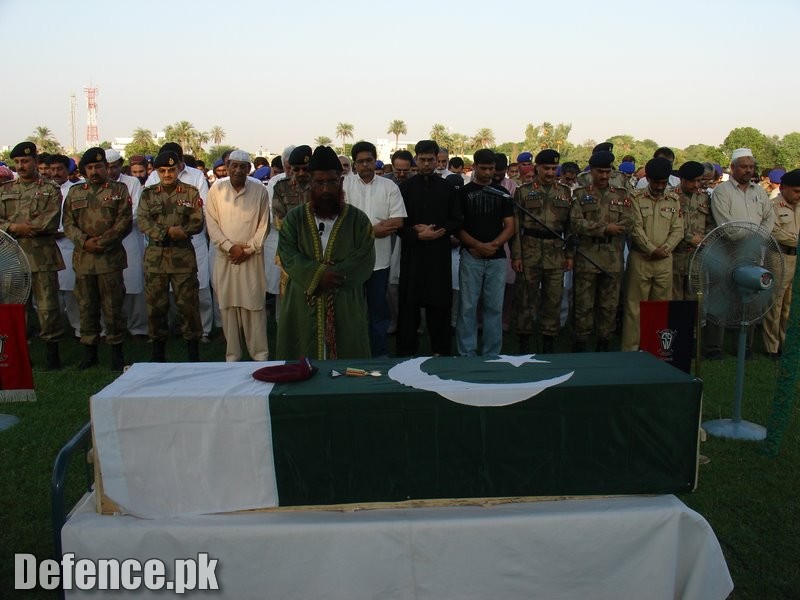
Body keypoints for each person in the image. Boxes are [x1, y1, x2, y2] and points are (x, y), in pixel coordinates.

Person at [276, 145, 375, 359]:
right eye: (319, 182)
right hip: (303, 300)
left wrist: (333, 276)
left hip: (345, 300)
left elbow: (364, 259)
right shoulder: (295, 219)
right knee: (301, 362)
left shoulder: (357, 220)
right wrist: (318, 275)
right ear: (310, 183)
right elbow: (287, 254)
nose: (325, 189)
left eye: (331, 181)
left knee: (347, 362)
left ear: (341, 181)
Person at [62, 148, 133, 370]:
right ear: (84, 170)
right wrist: (84, 242)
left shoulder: (119, 190)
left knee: (113, 308)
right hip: (84, 261)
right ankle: (90, 353)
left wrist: (101, 242)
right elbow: (68, 223)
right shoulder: (75, 192)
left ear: (106, 168)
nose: (94, 171)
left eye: (98, 167)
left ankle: (116, 353)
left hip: (109, 260)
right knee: (87, 307)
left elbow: (124, 222)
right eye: (90, 168)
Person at [705, 147, 776, 359]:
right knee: (720, 296)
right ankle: (713, 347)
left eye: (751, 167)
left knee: (749, 297)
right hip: (727, 250)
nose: (748, 170)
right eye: (744, 166)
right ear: (733, 168)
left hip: (752, 253)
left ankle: (743, 346)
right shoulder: (722, 191)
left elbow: (769, 218)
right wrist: (751, 235)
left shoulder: (759, 191)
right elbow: (726, 226)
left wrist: (756, 239)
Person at [0, 142, 65, 369]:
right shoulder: (5, 190)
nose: (21, 166)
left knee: (47, 307)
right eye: (17, 162)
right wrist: (15, 228)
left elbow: (51, 219)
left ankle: (52, 353)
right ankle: (20, 355)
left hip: (42, 257)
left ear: (36, 162)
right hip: (12, 259)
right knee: (16, 309)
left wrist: (26, 228)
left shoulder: (50, 188)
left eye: (25, 161)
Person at [396, 140, 463, 356]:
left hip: (438, 256)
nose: (426, 163)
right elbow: (398, 224)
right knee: (409, 307)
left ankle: (441, 351)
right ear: (416, 159)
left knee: (440, 306)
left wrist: (436, 231)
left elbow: (457, 219)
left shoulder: (447, 188)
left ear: (437, 160)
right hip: (413, 255)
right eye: (422, 159)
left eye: (430, 160)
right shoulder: (404, 188)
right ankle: (406, 352)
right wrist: (417, 234)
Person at [137, 151, 204, 362]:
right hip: (156, 257)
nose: (167, 174)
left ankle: (193, 353)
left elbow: (197, 221)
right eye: (163, 170)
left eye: (171, 170)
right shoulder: (148, 194)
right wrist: (167, 232)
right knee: (156, 306)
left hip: (182, 257)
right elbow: (143, 221)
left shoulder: (191, 192)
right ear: (157, 171)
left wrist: (181, 231)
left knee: (188, 305)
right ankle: (158, 354)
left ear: (178, 170)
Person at [206, 150, 270, 362]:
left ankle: (260, 356)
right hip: (226, 259)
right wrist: (229, 247)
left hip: (251, 259)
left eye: (243, 166)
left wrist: (248, 249)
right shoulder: (217, 189)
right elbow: (212, 224)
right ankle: (232, 358)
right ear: (227, 165)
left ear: (249, 169)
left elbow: (264, 225)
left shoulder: (259, 190)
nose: (238, 170)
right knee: (228, 308)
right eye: (234, 165)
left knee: (254, 306)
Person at [344, 141, 406, 357]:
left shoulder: (389, 187)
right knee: (352, 312)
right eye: (360, 162)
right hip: (351, 262)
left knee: (378, 312)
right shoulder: (345, 186)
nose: (365, 165)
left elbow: (397, 221)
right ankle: (353, 354)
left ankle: (379, 356)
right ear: (354, 164)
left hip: (379, 262)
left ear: (375, 160)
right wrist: (372, 231)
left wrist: (361, 231)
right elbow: (340, 224)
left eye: (369, 160)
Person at [569, 151, 633, 351]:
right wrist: (605, 228)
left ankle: (603, 342)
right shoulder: (580, 194)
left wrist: (611, 228)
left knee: (609, 305)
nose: (604, 176)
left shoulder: (622, 195)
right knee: (583, 304)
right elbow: (576, 223)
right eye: (600, 172)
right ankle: (580, 342)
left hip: (612, 259)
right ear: (591, 171)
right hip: (587, 257)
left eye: (607, 172)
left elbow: (630, 221)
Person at [511, 149, 573, 353]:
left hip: (555, 254)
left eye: (554, 168)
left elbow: (570, 228)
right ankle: (524, 340)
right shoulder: (523, 191)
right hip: (529, 251)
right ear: (537, 167)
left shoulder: (565, 193)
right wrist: (517, 255)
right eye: (546, 168)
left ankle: (549, 340)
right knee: (526, 299)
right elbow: (517, 228)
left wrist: (569, 254)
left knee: (553, 299)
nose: (550, 172)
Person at [455, 149, 515, 356]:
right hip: (471, 256)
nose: (488, 172)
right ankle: (467, 352)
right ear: (475, 166)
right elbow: (458, 227)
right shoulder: (462, 193)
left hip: (497, 258)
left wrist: (494, 245)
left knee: (494, 308)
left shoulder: (503, 193)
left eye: (492, 169)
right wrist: (478, 246)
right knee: (468, 307)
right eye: (484, 168)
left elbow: (510, 226)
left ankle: (492, 353)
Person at [620, 158, 682, 351]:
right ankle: (630, 351)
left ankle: (656, 349)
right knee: (634, 308)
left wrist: (666, 248)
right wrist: (650, 249)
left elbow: (678, 229)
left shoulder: (673, 199)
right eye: (656, 183)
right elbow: (635, 227)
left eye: (663, 183)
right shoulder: (635, 198)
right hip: (641, 258)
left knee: (660, 308)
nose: (660, 187)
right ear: (647, 179)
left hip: (664, 260)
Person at [106, 148, 147, 339]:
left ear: (121, 166)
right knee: (106, 286)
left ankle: (137, 327)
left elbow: (136, 212)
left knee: (133, 283)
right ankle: (110, 327)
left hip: (129, 237)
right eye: (106, 167)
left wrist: (112, 229)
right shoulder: (93, 185)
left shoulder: (132, 183)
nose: (110, 171)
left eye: (114, 167)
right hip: (103, 241)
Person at [762, 169, 800, 359]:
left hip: (796, 259)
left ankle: (785, 343)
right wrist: (796, 241)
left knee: (790, 304)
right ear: (783, 188)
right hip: (779, 257)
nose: (798, 195)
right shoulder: (773, 206)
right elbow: (774, 232)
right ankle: (771, 346)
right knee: (775, 303)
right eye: (796, 191)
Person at [672, 161, 714, 300]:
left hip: (697, 257)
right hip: (675, 256)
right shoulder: (671, 197)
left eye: (698, 181)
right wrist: (689, 238)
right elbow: (667, 226)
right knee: (674, 299)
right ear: (682, 179)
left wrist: (705, 239)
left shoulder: (704, 197)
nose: (696, 185)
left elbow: (710, 223)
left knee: (695, 300)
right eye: (692, 181)